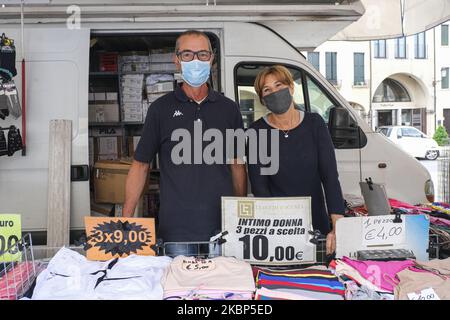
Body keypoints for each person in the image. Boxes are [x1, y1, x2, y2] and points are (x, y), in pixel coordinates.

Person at [123, 30, 247, 255]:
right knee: (179, 290)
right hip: (176, 232)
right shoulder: (160, 109)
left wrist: (238, 216)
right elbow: (140, 165)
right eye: (188, 55)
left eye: (202, 54)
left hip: (222, 231)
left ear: (212, 59)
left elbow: (237, 165)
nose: (196, 61)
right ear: (177, 60)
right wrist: (125, 220)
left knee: (223, 290)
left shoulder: (229, 109)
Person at [247, 65, 345, 255]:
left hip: (317, 226)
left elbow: (330, 178)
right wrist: (272, 229)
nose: (274, 92)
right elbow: (260, 188)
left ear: (291, 88)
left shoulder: (314, 124)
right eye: (267, 90)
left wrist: (337, 227)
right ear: (262, 100)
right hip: (278, 230)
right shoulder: (256, 132)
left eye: (279, 85)